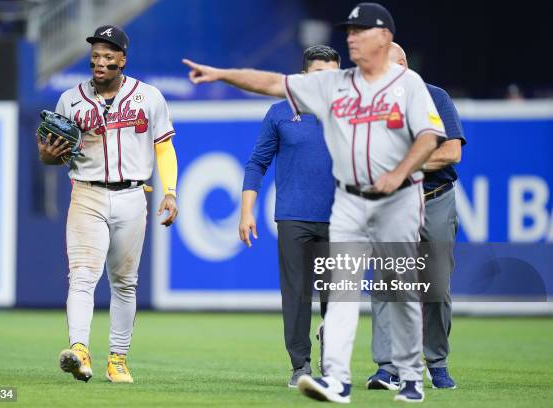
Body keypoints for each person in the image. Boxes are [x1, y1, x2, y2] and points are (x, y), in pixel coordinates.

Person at [183, 2, 446, 403]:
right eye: (350, 32)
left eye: (361, 31)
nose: (353, 37)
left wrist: (399, 172)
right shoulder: (322, 93)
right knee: (332, 297)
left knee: (395, 288)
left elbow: (429, 136)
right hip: (336, 207)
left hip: (388, 200)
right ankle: (328, 376)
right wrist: (223, 74)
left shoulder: (403, 84)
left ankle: (408, 375)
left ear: (385, 38)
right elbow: (270, 84)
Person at [37, 25, 179, 383]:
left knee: (125, 282)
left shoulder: (148, 97)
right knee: (83, 276)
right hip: (87, 192)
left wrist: (171, 191)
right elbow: (55, 154)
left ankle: (118, 359)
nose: (100, 61)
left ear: (122, 60)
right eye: (96, 55)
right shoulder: (70, 99)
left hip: (133, 195)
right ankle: (79, 350)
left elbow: (163, 147)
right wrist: (47, 157)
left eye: (108, 55)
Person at [239, 45, 339, 388]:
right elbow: (257, 163)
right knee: (296, 295)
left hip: (342, 217)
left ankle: (333, 354)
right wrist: (247, 210)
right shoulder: (280, 111)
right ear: (302, 77)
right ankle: (300, 367)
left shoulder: (353, 114)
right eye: (317, 75)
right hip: (294, 216)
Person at [366, 42, 464, 391]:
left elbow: (452, 152)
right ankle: (387, 367)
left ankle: (435, 361)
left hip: (434, 199)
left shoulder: (435, 97)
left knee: (435, 286)